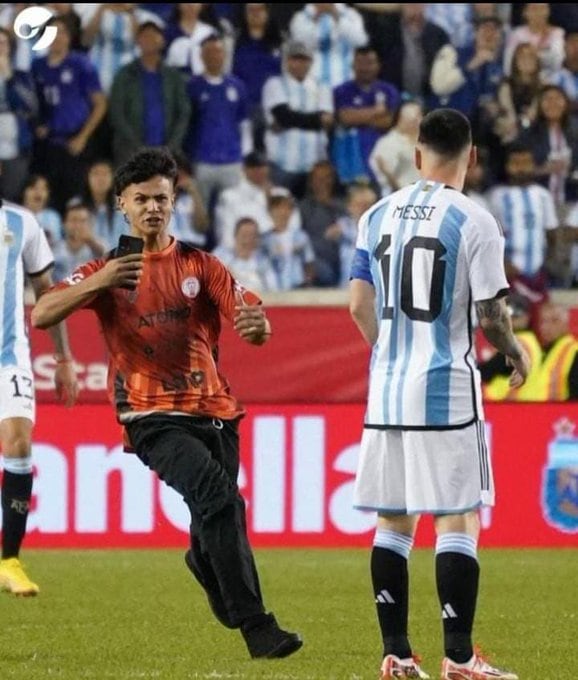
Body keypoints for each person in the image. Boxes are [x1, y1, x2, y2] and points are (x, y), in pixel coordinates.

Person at [31, 147, 302, 658]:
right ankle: (257, 627)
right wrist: (102, 281)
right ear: (121, 206)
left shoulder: (202, 264)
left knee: (212, 514)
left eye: (161, 198)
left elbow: (252, 320)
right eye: (141, 199)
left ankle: (204, 563)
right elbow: (43, 312)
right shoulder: (105, 270)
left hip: (216, 411)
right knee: (222, 500)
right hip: (151, 415)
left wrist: (258, 327)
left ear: (174, 201)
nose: (152, 207)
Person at [349, 108, 529, 679]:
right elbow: (490, 313)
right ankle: (459, 658)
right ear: (471, 156)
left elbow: (357, 304)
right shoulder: (475, 220)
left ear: (418, 153)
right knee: (458, 517)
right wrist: (515, 351)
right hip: (445, 388)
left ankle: (396, 654)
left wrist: (392, 353)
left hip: (386, 390)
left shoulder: (374, 215)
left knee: (393, 521)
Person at [0, 195, 78, 596]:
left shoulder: (22, 222)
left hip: (9, 356)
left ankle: (9, 560)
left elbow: (47, 292)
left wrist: (63, 357)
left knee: (19, 443)